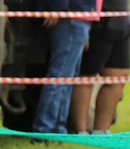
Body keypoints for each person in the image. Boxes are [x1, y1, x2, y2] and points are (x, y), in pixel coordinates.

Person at [31, 0, 96, 135]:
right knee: (60, 76)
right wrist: (57, 7)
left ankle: (57, 128)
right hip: (71, 15)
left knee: (66, 78)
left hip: (78, 16)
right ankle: (44, 129)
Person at [70, 0, 130, 134]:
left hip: (122, 18)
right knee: (87, 76)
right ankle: (80, 131)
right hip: (98, 19)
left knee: (119, 76)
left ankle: (101, 131)